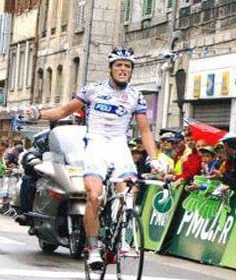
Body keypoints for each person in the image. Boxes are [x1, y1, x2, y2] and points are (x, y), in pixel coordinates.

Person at [23, 46, 163, 267]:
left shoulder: (136, 96)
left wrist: (154, 158)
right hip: (96, 144)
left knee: (129, 192)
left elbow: (145, 131)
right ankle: (94, 247)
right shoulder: (92, 90)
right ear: (111, 69)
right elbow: (62, 112)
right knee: (94, 196)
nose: (123, 69)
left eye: (127, 66)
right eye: (119, 65)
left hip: (119, 146)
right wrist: (38, 114)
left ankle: (121, 236)